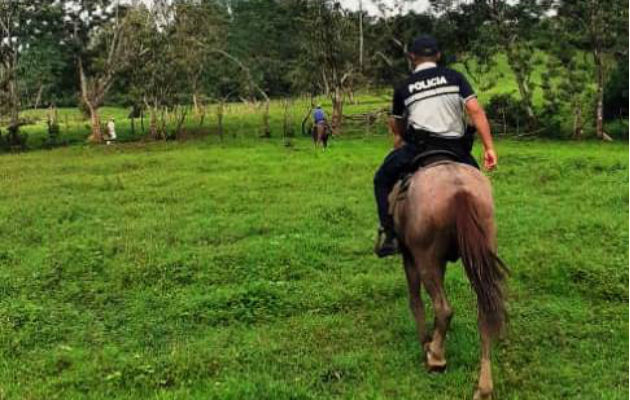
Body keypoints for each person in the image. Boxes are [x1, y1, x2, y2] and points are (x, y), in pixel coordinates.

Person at [373, 34, 498, 258]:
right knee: (476, 182)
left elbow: (399, 126)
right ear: (438, 55)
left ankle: (390, 235)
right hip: (457, 149)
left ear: (412, 57)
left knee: (381, 179)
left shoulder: (404, 87)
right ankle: (481, 229)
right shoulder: (455, 77)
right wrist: (489, 148)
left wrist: (404, 135)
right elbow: (475, 111)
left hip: (420, 148)